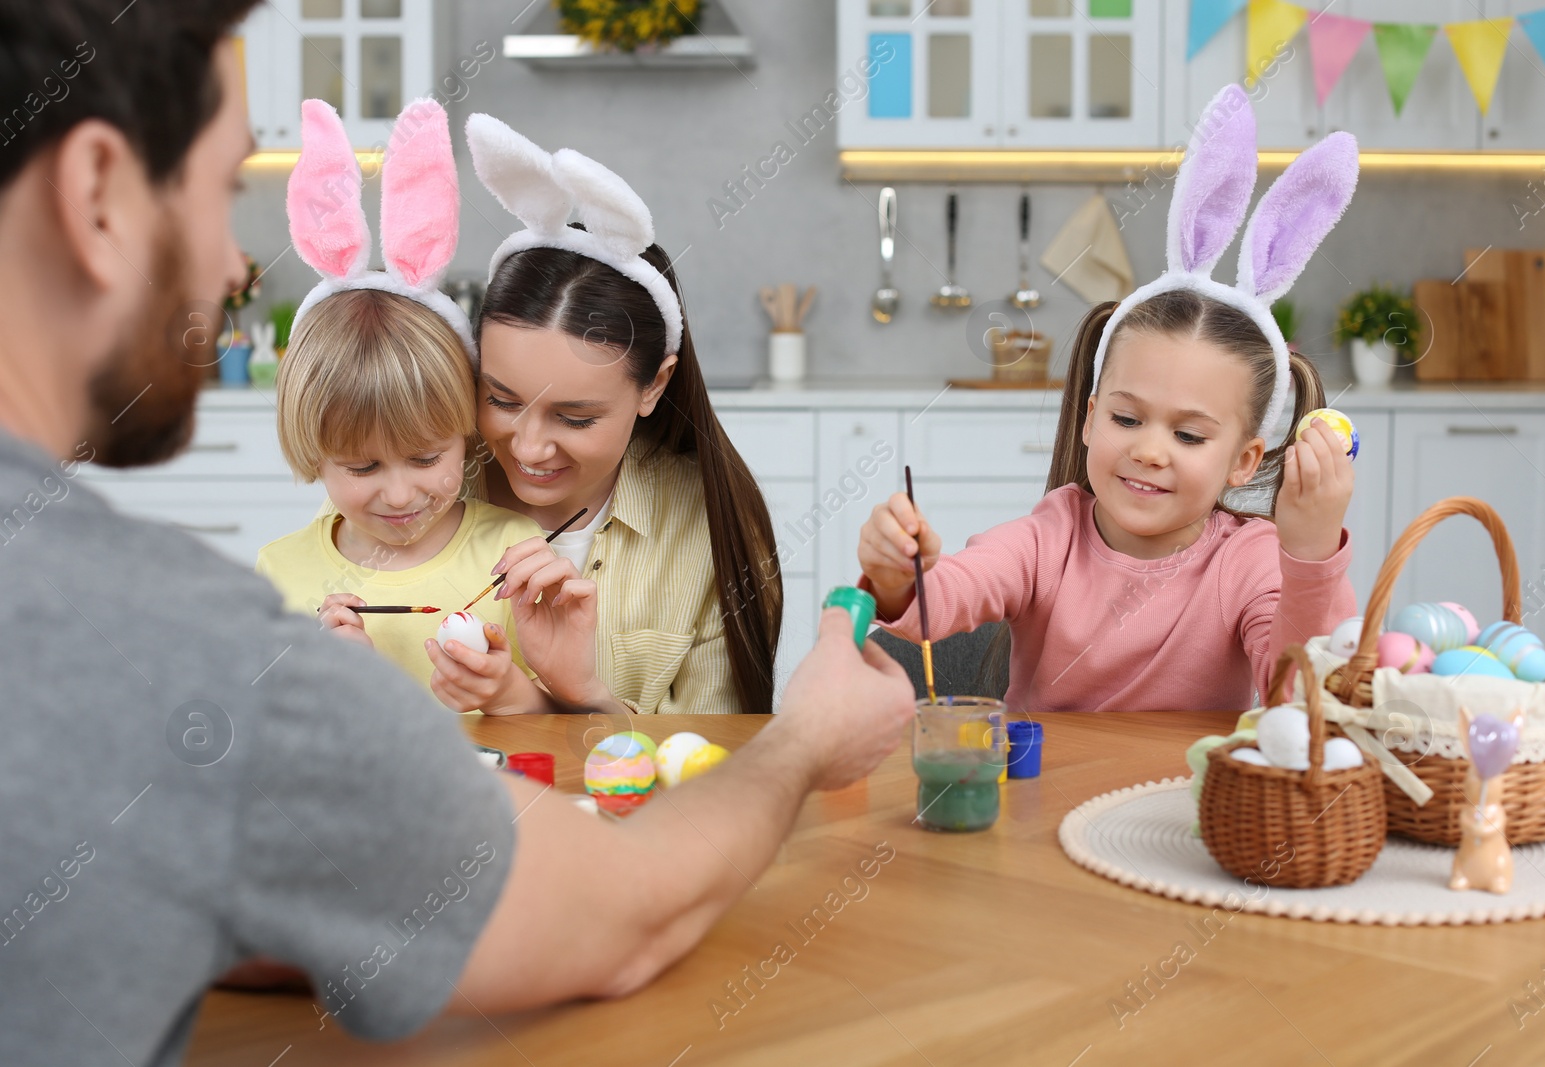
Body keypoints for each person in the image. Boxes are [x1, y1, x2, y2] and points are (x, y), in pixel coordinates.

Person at [0, 5, 915, 1065]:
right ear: (96, 195)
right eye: (221, 194)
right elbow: (614, 915)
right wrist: (804, 739)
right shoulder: (180, 649)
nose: (228, 271)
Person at [858, 85, 1359, 713]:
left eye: (1189, 435)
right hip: (1041, 805)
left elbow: (1306, 698)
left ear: (1244, 460)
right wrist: (900, 578)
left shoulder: (1249, 561)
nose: (1149, 450)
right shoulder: (1050, 537)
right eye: (1127, 418)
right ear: (1091, 418)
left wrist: (1309, 551)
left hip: (1185, 809)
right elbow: (949, 595)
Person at [256, 98, 582, 716]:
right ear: (313, 454)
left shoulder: (514, 554)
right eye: (362, 468)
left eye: (426, 456)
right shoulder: (280, 574)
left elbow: (560, 738)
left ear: (466, 431)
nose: (401, 496)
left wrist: (513, 695)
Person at [450, 114, 783, 716]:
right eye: (500, 399)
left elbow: (719, 771)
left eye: (575, 418)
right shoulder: (409, 482)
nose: (527, 448)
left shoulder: (713, 531)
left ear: (654, 385)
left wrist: (584, 700)